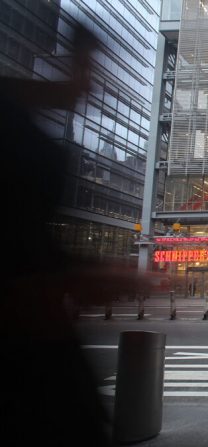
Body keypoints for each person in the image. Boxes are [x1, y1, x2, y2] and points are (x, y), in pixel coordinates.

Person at [0, 23, 150, 445]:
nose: (89, 81)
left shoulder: (25, 119)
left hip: (47, 336)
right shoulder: (12, 121)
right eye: (82, 63)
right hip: (29, 337)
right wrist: (76, 277)